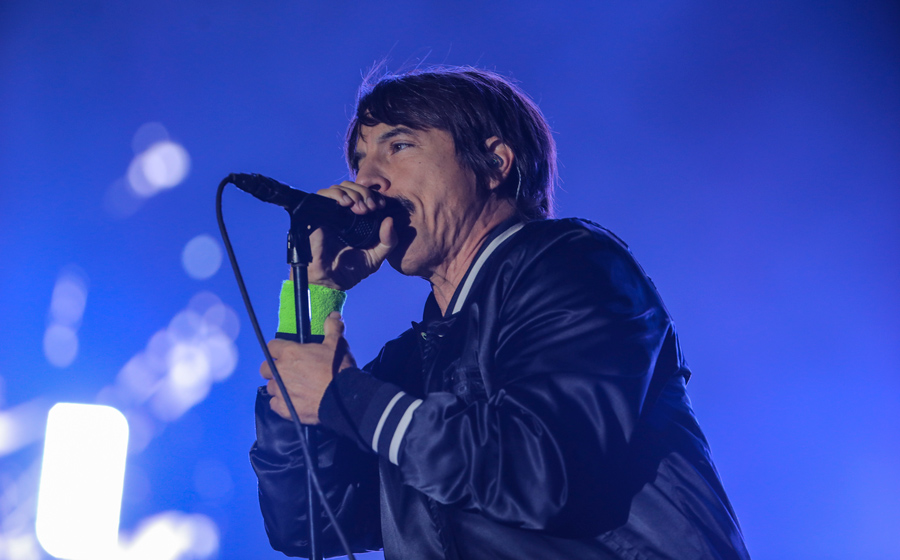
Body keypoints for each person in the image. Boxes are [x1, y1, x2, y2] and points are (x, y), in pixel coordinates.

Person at [250, 66, 750, 559]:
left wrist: (350, 398)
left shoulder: (575, 265)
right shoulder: (414, 362)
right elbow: (306, 523)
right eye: (359, 160)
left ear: (494, 163)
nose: (367, 180)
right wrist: (315, 294)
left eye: (398, 146)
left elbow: (543, 471)